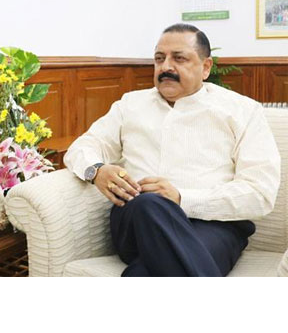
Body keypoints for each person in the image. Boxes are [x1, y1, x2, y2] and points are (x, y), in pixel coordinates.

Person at [64, 23, 281, 277]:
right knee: (148, 204)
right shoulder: (130, 105)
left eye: (179, 58)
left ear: (206, 67)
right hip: (136, 221)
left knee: (142, 275)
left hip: (214, 226)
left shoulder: (242, 111)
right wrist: (96, 171)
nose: (166, 67)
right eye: (159, 58)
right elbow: (82, 147)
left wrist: (180, 198)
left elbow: (260, 193)